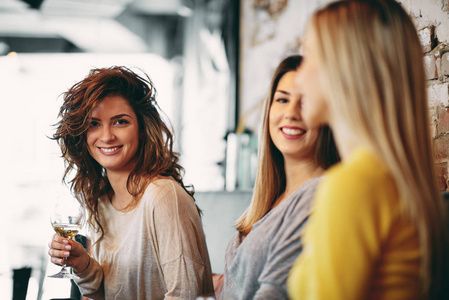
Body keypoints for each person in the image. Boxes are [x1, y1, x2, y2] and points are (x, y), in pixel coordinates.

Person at [288, 0, 449, 299]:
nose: (298, 77)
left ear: (346, 68)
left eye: (308, 57)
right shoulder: (389, 177)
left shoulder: (354, 185)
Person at [47, 66, 214, 299]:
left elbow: (186, 294)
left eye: (120, 122)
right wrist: (83, 265)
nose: (106, 136)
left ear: (143, 129)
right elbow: (105, 294)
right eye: (94, 124)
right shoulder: (100, 201)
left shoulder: (163, 195)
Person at [218, 55, 340, 299]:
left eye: (305, 102)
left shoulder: (321, 192)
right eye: (282, 99)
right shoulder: (268, 200)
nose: (291, 113)